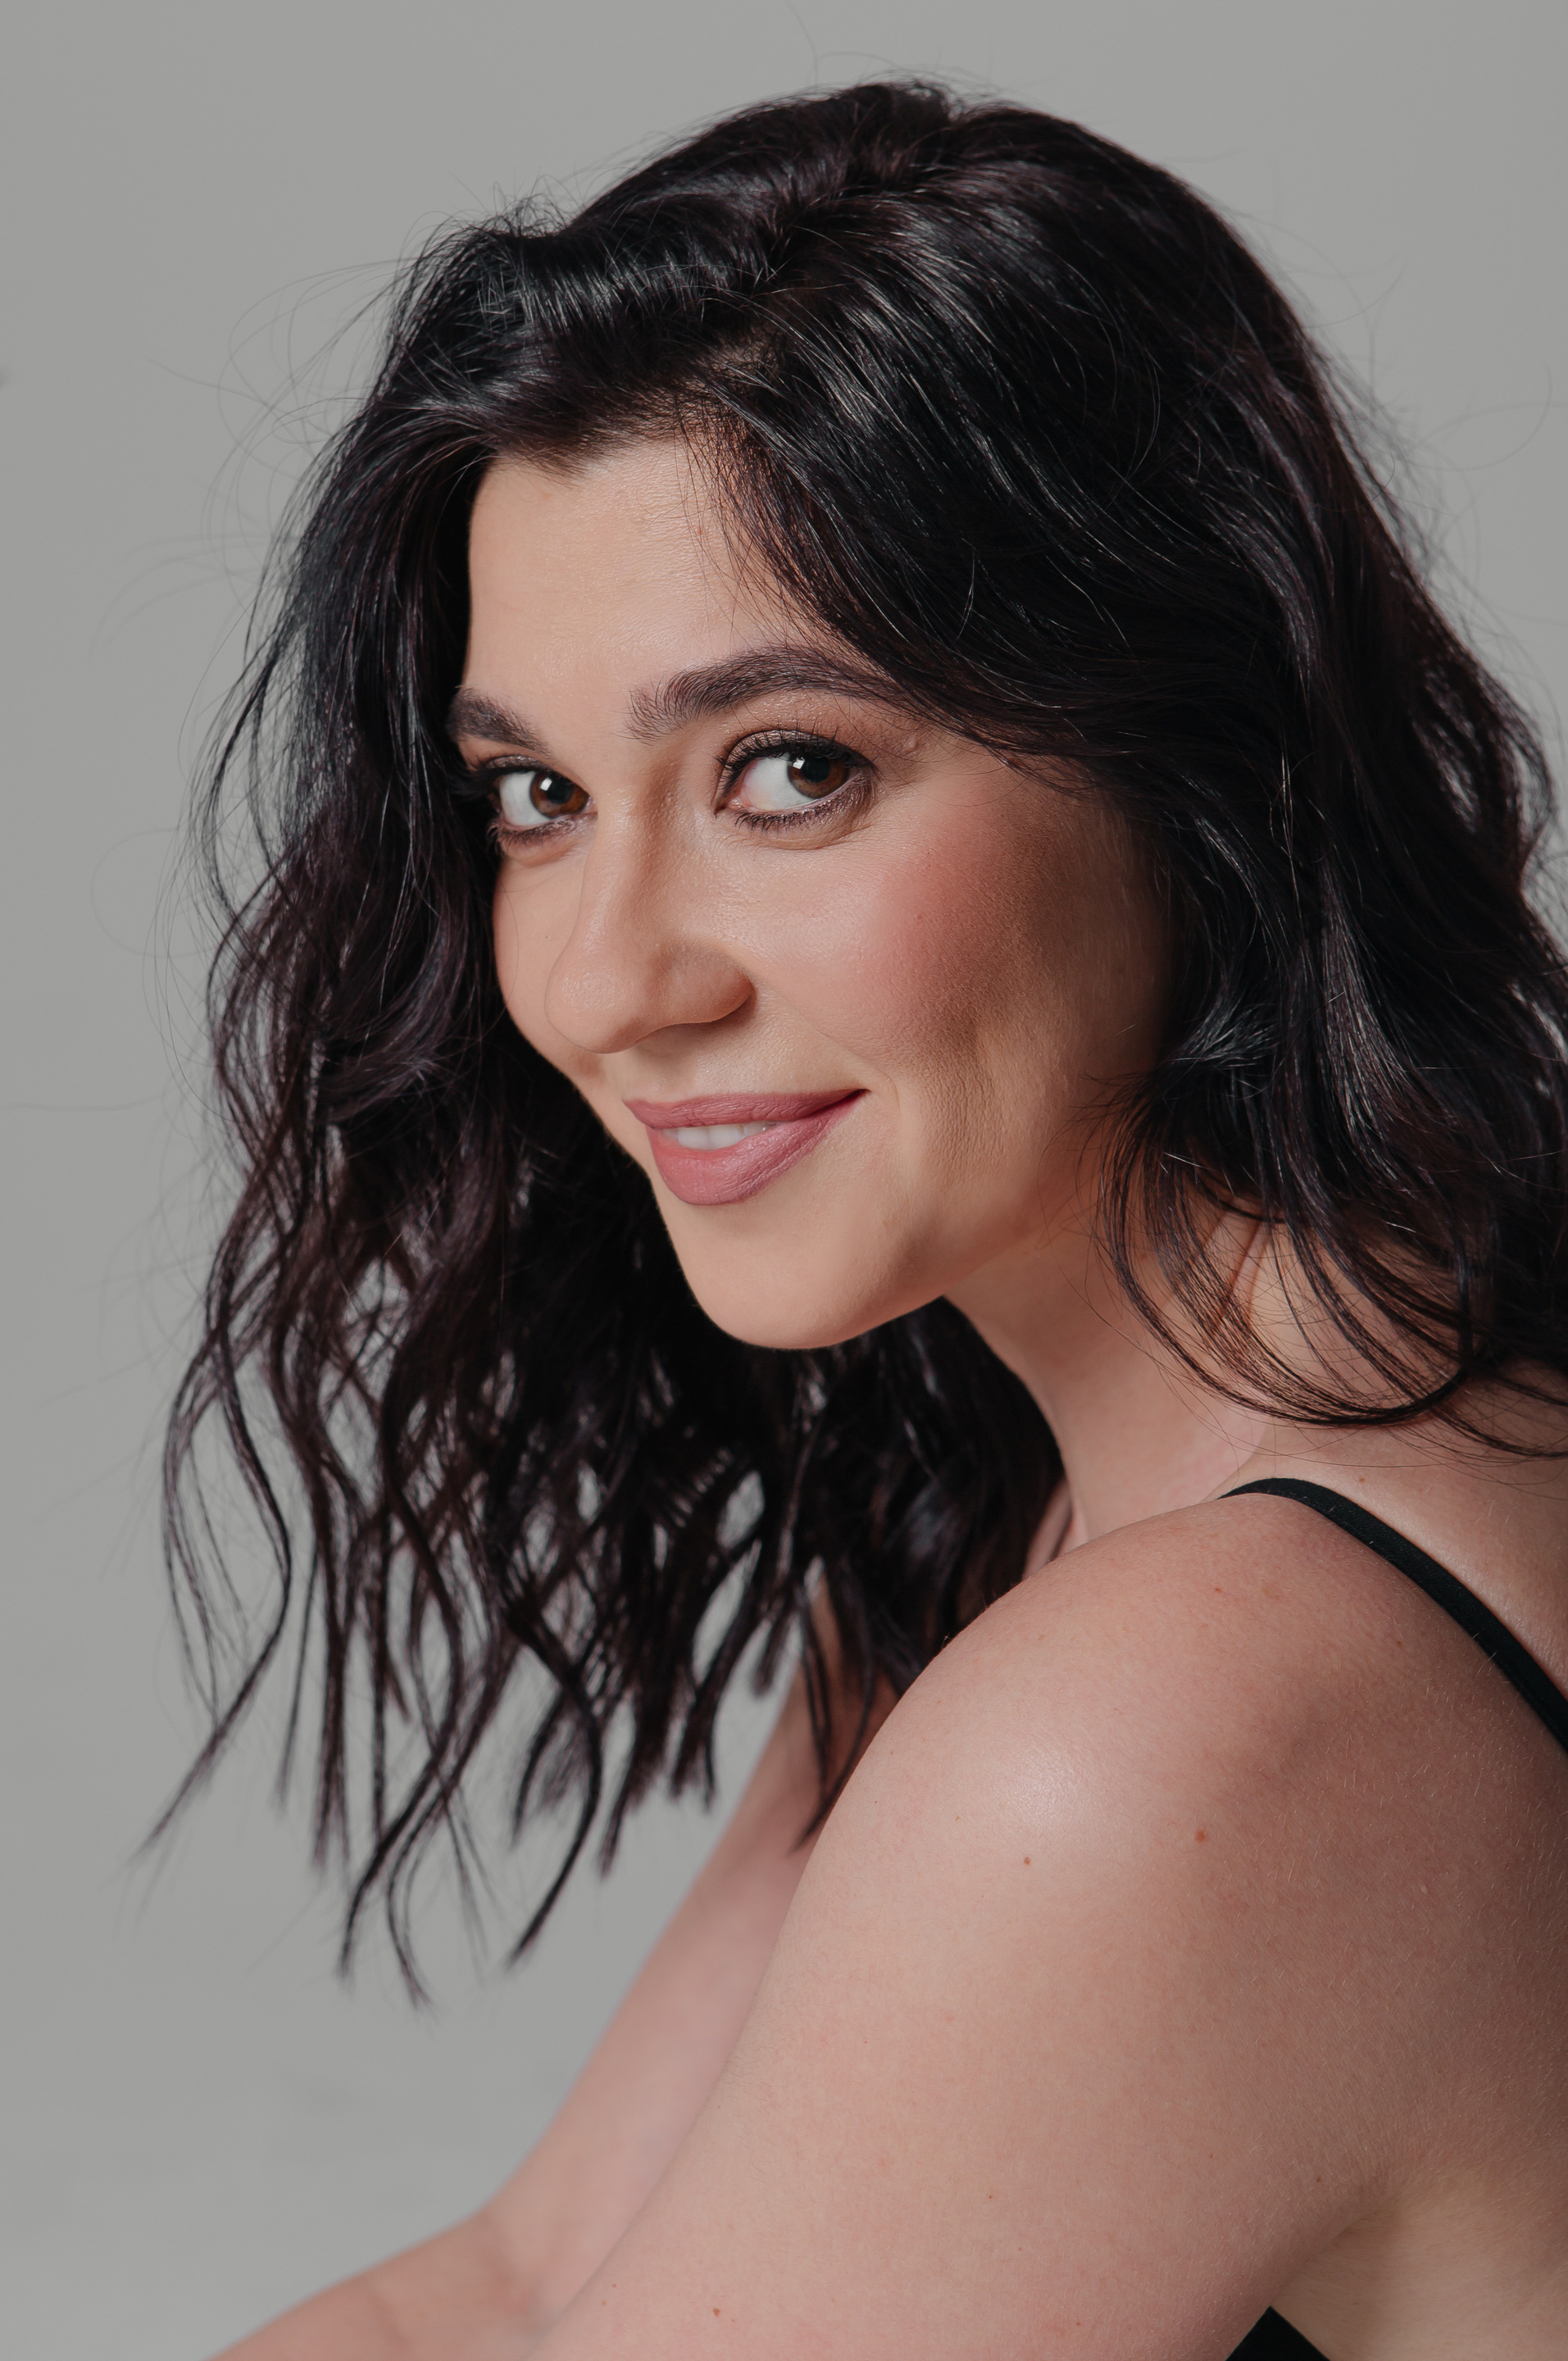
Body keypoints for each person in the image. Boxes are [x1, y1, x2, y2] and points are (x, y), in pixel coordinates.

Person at [169, 80, 1568, 2359]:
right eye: (535, 796)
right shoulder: (1049, 1516)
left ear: (1205, 760)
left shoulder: (1171, 1730)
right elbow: (503, 2294)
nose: (607, 981)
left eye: (790, 769)